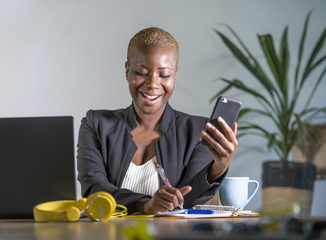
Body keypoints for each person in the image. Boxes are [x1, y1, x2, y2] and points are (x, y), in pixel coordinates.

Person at [77, 27, 238, 215]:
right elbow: (93, 189)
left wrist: (219, 167)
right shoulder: (96, 124)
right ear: (127, 70)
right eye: (142, 72)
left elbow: (189, 198)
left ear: (175, 76)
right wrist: (145, 205)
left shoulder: (197, 131)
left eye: (164, 75)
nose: (153, 83)